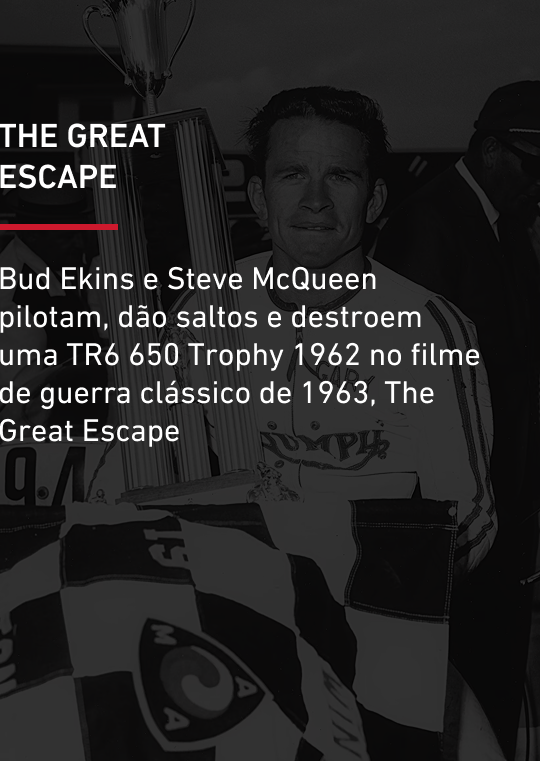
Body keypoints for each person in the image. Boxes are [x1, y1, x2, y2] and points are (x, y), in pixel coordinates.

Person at [175, 86, 498, 759]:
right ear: (258, 196)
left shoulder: (427, 328)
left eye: (341, 177)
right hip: (227, 634)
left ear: (374, 201)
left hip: (374, 646)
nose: (316, 200)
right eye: (292, 174)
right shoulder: (202, 311)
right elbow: (147, 476)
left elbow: (470, 517)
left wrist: (380, 611)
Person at [374, 81, 540, 759]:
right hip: (457, 534)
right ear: (491, 149)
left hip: (503, 523)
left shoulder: (507, 228)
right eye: (534, 163)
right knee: (455, 718)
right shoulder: (428, 224)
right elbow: (404, 393)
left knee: (493, 704)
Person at [0, 184, 102, 414]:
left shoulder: (51, 263)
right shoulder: (15, 303)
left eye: (81, 231)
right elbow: (16, 405)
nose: (79, 243)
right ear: (32, 233)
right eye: (66, 235)